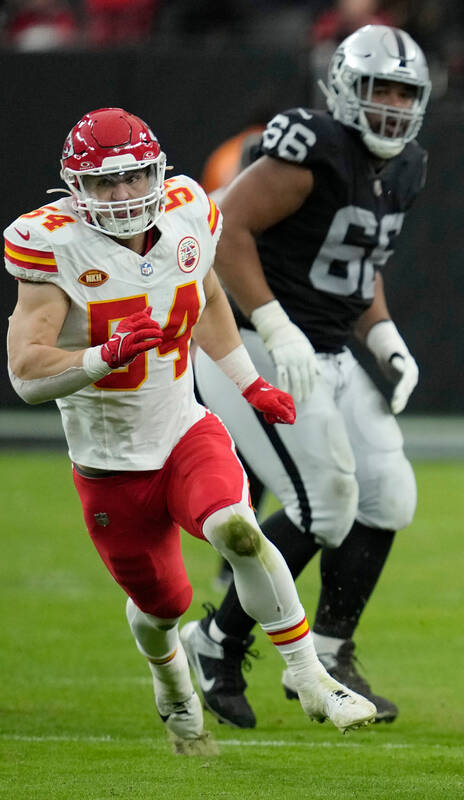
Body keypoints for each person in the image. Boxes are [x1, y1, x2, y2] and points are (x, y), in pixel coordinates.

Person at [3, 108, 377, 752]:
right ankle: (172, 676)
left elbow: (202, 294)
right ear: (75, 189)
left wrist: (247, 381)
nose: (123, 195)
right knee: (163, 607)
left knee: (237, 526)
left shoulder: (185, 210)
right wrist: (104, 355)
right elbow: (26, 375)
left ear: (157, 171)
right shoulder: (52, 246)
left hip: (182, 431)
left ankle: (309, 674)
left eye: (134, 177)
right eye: (105, 183)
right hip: (110, 467)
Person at [187, 24, 430, 729]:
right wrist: (271, 322)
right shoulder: (311, 147)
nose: (390, 105)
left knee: (388, 496)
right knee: (322, 504)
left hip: (323, 345)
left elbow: (360, 259)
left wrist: (381, 334)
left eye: (403, 92)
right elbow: (221, 228)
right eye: (377, 88)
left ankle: (327, 651)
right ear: (343, 90)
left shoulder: (408, 165)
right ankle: (218, 640)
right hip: (252, 345)